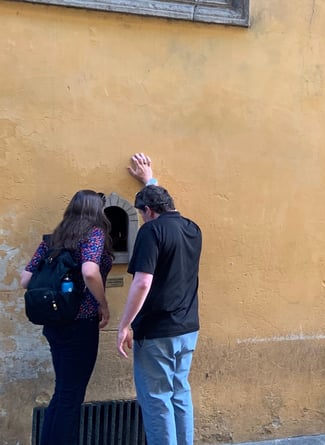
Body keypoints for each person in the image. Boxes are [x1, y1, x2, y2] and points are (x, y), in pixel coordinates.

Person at [116, 153, 203, 445]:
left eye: (142, 213)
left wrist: (124, 325)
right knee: (180, 393)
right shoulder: (192, 228)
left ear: (149, 211)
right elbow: (167, 215)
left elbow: (142, 282)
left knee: (156, 399)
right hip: (187, 329)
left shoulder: (151, 231)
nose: (142, 218)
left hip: (157, 332)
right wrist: (150, 181)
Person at [20, 190, 113, 444]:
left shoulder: (54, 239)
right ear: (96, 211)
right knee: (70, 397)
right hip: (80, 325)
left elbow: (25, 280)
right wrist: (103, 305)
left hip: (54, 323)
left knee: (62, 393)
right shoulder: (94, 234)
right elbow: (90, 272)